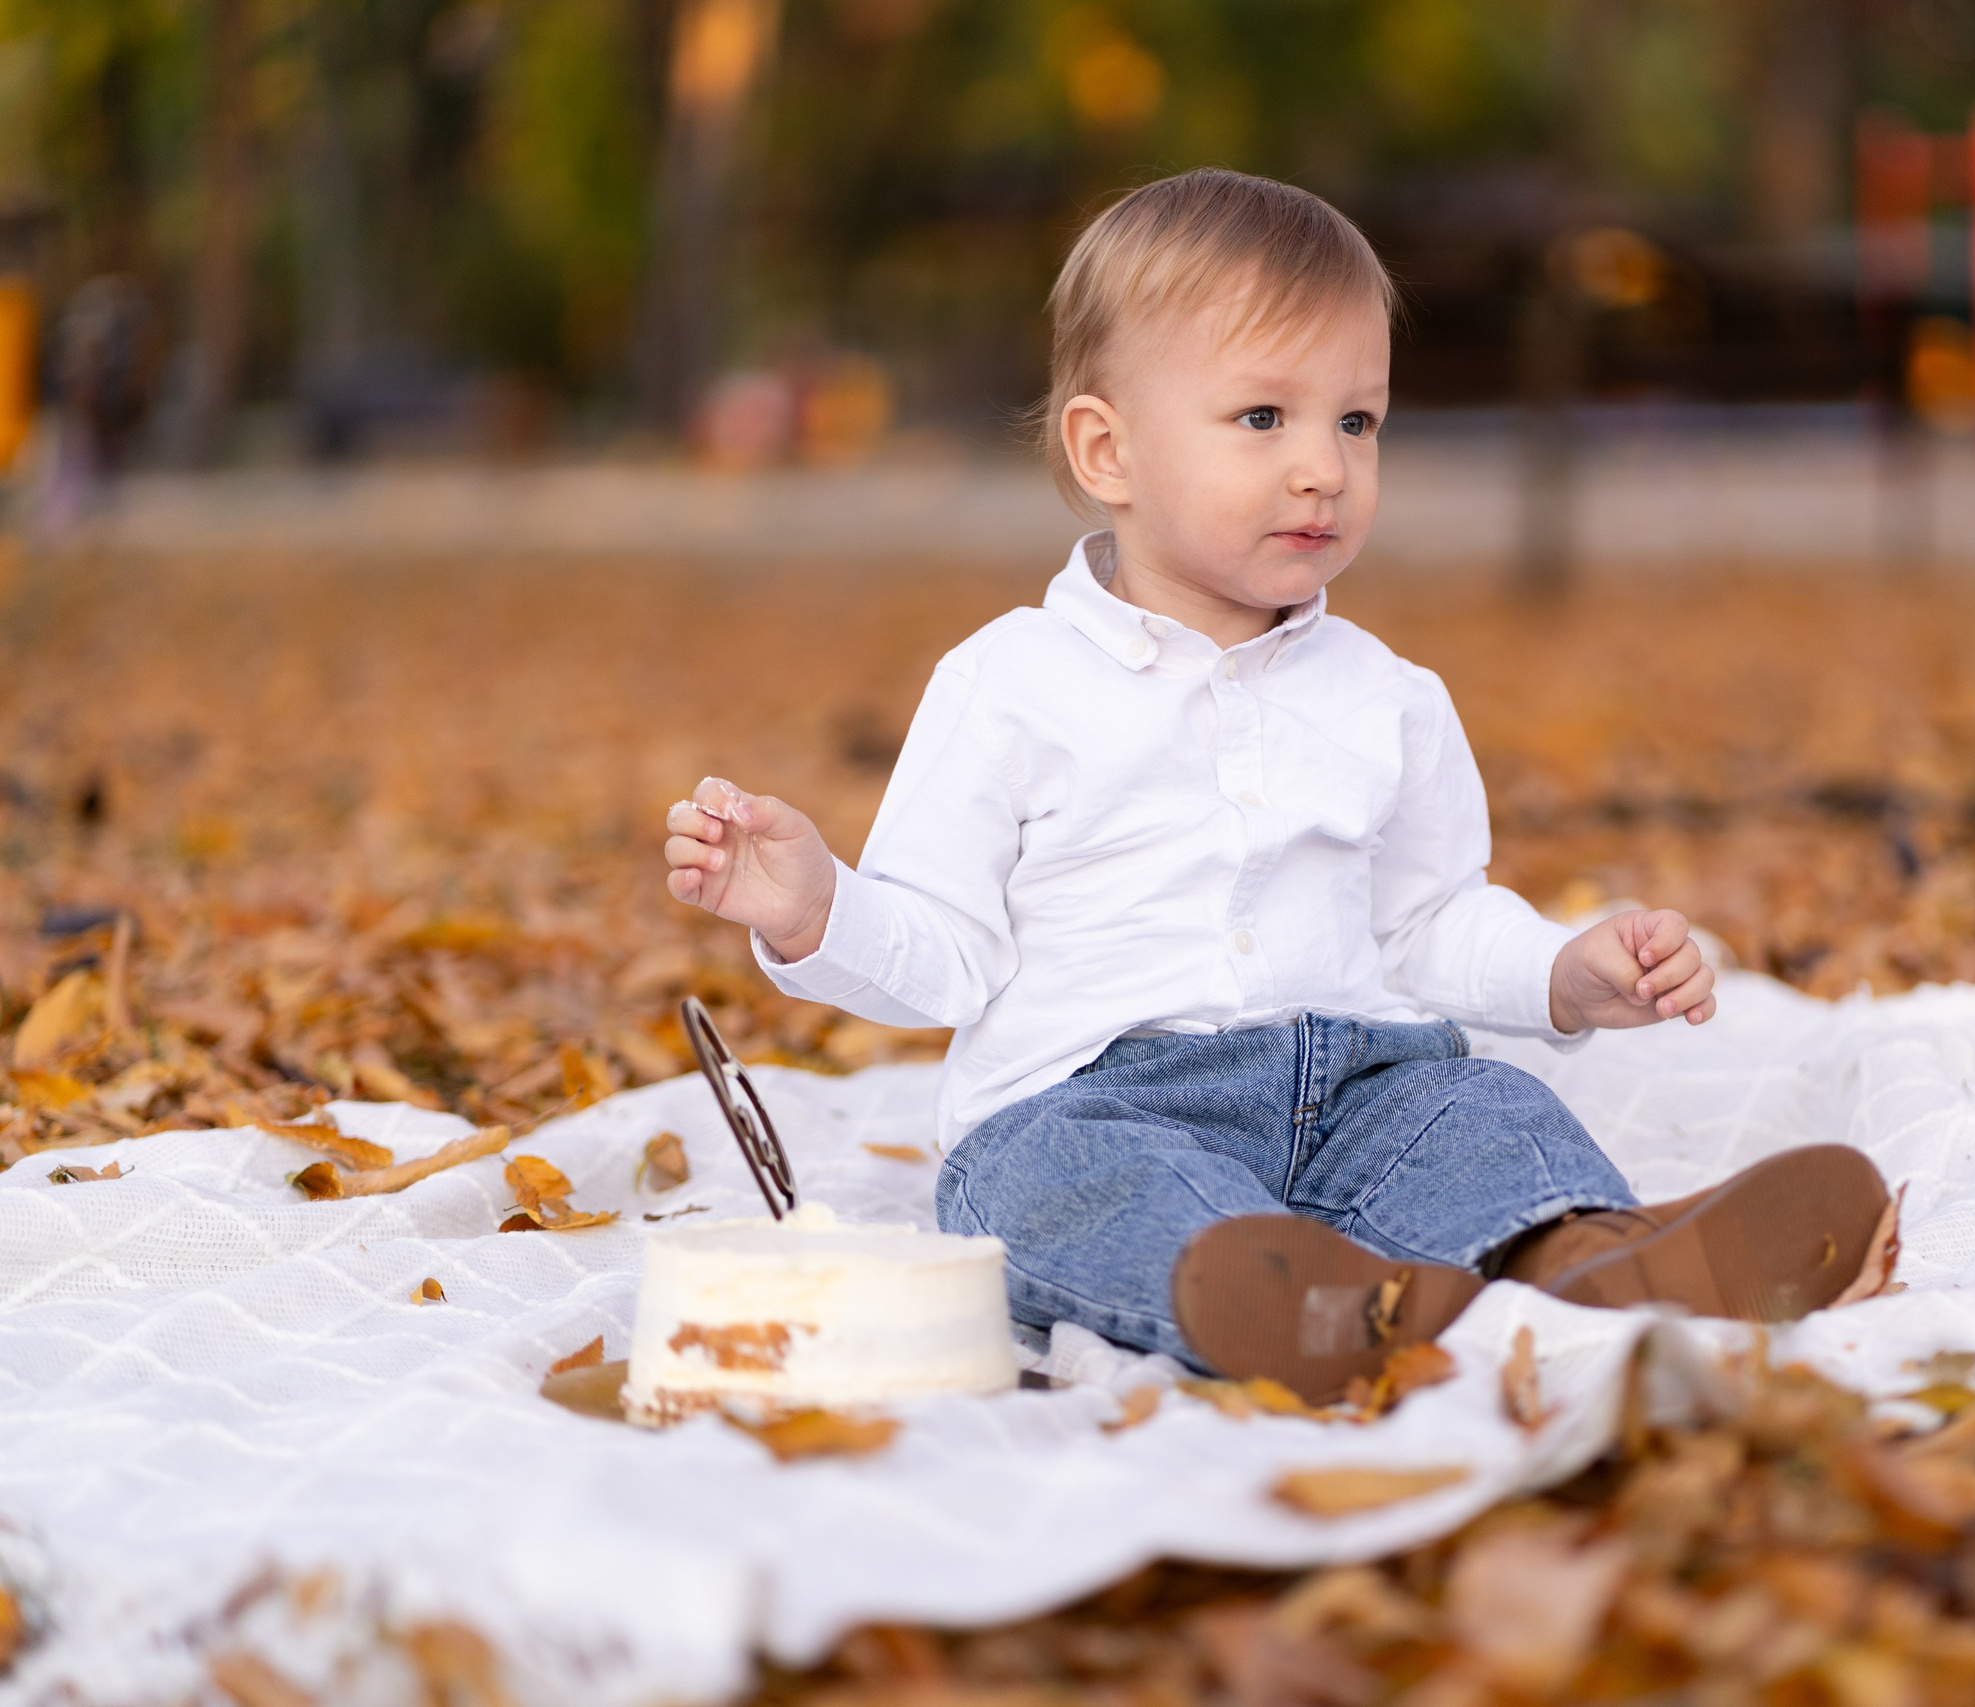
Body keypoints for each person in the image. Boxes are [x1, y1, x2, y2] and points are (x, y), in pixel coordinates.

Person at [663, 168, 1893, 1401]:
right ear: (1109, 450)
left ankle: (1586, 1258)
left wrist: (1560, 973)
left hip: (1353, 1082)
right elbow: (944, 954)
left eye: (1356, 423)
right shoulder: (1010, 684)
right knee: (1074, 1192)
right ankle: (1295, 1303)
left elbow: (1424, 925)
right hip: (1095, 1102)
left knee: (1480, 1111)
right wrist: (816, 908)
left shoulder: (1387, 696)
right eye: (1263, 419)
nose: (1322, 468)